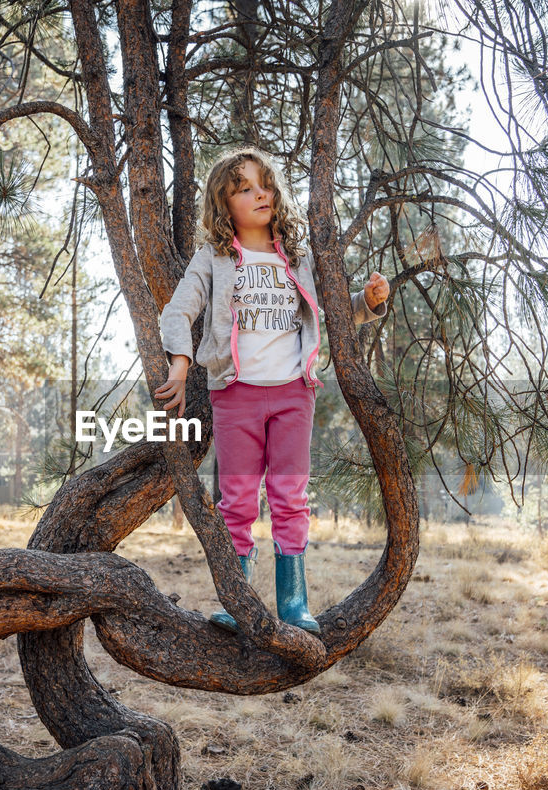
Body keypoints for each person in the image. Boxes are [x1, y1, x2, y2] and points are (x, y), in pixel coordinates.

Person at [155, 147, 390, 635]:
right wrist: (180, 366)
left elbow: (334, 313)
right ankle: (239, 600)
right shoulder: (214, 258)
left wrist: (367, 303)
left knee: (290, 495)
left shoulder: (297, 258)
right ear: (224, 204)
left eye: (264, 184)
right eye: (243, 188)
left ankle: (293, 602)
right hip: (236, 395)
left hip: (292, 394)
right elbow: (178, 311)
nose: (258, 193)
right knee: (237, 498)